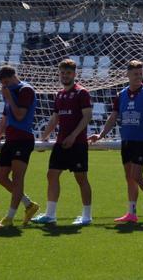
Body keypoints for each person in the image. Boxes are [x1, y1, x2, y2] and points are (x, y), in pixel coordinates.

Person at [89, 60, 143, 224]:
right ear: (127, 74)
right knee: (129, 177)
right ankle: (132, 212)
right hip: (127, 140)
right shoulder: (121, 95)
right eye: (135, 74)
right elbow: (113, 117)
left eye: (140, 73)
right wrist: (101, 135)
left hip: (142, 141)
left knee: (137, 175)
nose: (138, 76)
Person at [31, 59, 94, 226]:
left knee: (81, 178)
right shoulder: (59, 94)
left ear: (74, 74)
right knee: (51, 175)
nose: (65, 76)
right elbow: (55, 118)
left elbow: (87, 116)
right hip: (61, 143)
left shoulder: (82, 93)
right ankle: (50, 215)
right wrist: (43, 137)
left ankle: (87, 216)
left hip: (78, 143)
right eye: (63, 73)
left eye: (68, 73)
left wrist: (73, 136)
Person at [0, 65, 40, 228]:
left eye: (7, 82)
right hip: (10, 140)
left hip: (23, 139)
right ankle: (28, 204)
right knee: (1, 177)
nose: (5, 86)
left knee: (18, 179)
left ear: (14, 77)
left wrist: (9, 97)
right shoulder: (9, 92)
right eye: (3, 84)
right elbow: (5, 118)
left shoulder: (25, 90)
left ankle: (9, 217)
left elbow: (20, 115)